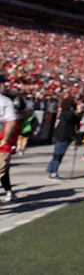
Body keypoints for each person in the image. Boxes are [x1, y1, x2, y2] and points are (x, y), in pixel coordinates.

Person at [46, 96, 81, 180]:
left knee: (57, 154)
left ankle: (51, 169)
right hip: (64, 135)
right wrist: (79, 111)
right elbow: (78, 119)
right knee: (59, 154)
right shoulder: (68, 113)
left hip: (59, 134)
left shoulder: (63, 112)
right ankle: (53, 173)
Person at [1, 75, 20, 203]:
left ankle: (9, 191)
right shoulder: (4, 101)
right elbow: (12, 123)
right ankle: (8, 191)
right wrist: (5, 140)